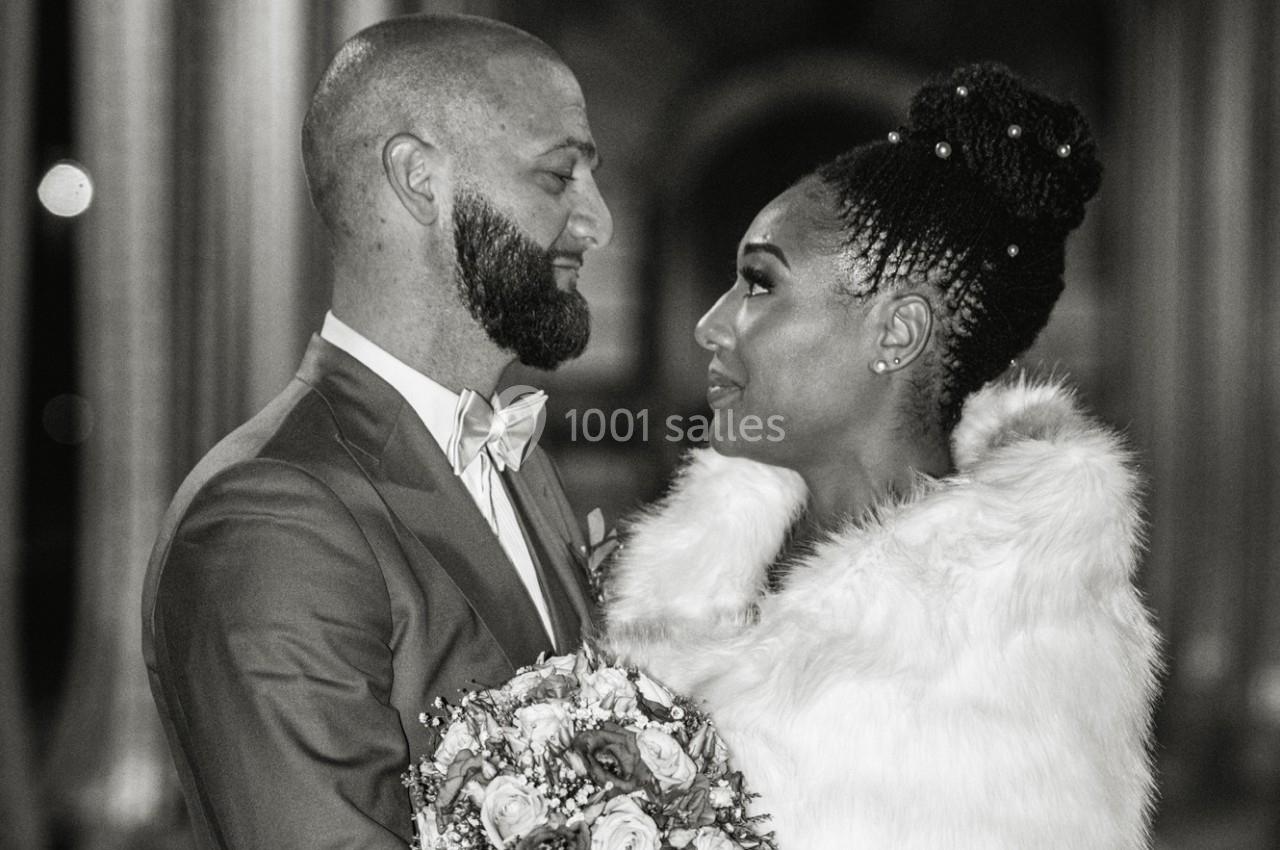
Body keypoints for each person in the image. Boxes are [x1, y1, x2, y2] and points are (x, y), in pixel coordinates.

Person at [604, 63, 1160, 849]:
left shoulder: (1015, 660)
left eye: (759, 285)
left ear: (896, 334)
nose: (711, 324)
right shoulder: (704, 561)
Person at [141, 13, 612, 850]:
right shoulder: (271, 516)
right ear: (419, 179)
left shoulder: (515, 460)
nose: (596, 221)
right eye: (557, 175)